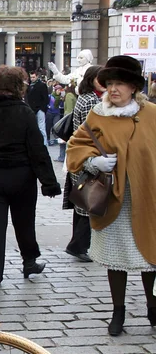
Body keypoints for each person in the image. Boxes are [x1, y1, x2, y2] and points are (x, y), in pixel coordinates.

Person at [67, 55, 156, 337]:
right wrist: (93, 163)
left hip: (147, 198)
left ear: (133, 88)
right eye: (109, 84)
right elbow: (75, 146)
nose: (113, 89)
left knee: (149, 257)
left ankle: (153, 308)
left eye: (119, 84)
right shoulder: (97, 115)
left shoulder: (152, 114)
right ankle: (118, 312)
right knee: (117, 258)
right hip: (113, 199)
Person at [0, 65, 61, 287]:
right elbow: (38, 150)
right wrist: (49, 183)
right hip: (21, 178)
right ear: (19, 87)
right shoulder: (25, 113)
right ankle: (29, 262)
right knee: (24, 222)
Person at [63, 65, 104, 263]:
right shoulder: (90, 100)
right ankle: (79, 245)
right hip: (86, 155)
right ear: (91, 79)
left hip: (82, 154)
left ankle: (79, 244)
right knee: (89, 200)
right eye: (100, 78)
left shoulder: (88, 98)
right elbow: (92, 130)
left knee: (83, 201)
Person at [26, 70, 50, 146]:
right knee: (33, 127)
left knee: (41, 128)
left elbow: (45, 98)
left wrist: (42, 109)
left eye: (33, 77)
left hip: (39, 109)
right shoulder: (29, 86)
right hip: (31, 109)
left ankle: (44, 144)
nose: (32, 79)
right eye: (31, 77)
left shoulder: (42, 85)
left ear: (37, 76)